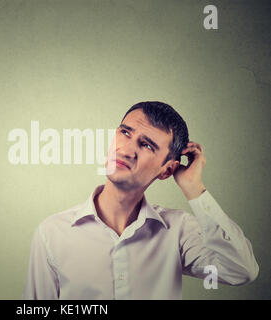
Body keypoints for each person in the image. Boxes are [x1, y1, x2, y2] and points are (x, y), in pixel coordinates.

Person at [22, 101, 259, 300]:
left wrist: (194, 188)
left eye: (146, 145)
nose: (126, 150)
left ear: (167, 170)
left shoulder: (178, 231)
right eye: (125, 133)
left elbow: (241, 270)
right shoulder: (51, 233)